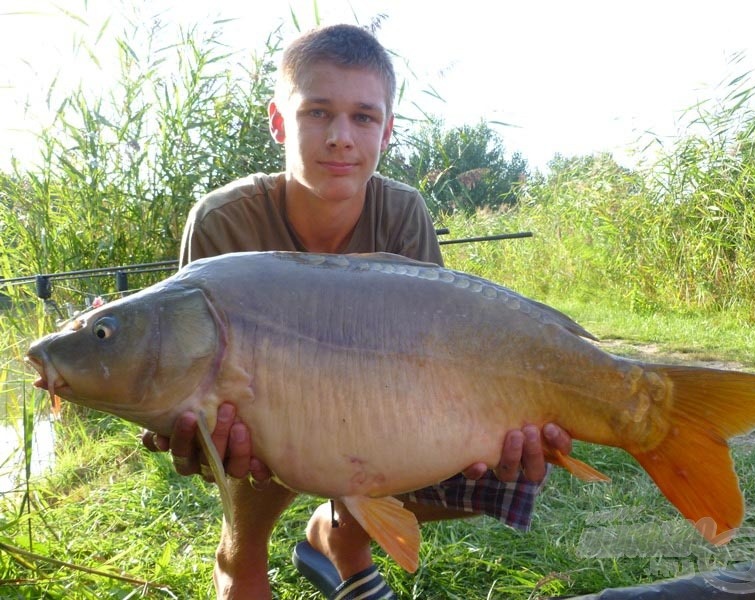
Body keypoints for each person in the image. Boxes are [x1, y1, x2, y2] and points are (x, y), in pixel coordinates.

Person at [141, 23, 573, 600]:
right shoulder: (224, 221)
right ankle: (240, 561)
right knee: (249, 414)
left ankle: (341, 535)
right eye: (317, 113)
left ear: (387, 132)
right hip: (269, 409)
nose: (340, 137)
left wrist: (484, 425)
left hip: (377, 406)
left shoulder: (403, 213)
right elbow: (203, 388)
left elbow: (431, 364)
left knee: (501, 462)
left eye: (363, 118)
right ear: (279, 122)